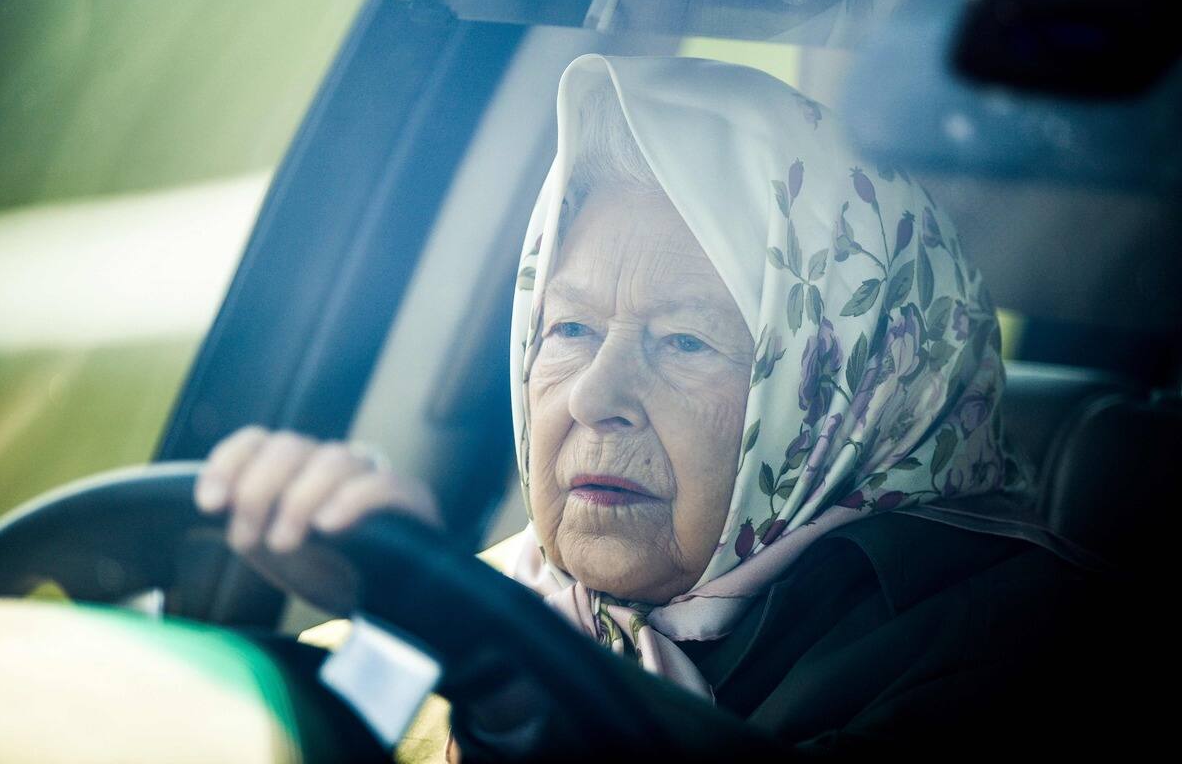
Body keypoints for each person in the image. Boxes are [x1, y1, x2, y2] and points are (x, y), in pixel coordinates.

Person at [195, 54, 1138, 759]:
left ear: (845, 390)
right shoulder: (487, 587)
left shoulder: (1034, 650)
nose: (599, 396)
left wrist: (496, 677)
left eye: (684, 342)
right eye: (567, 331)